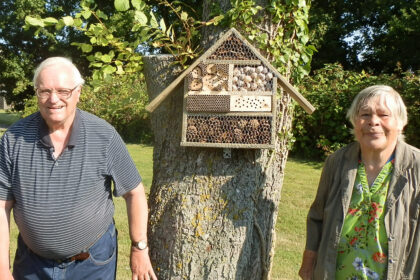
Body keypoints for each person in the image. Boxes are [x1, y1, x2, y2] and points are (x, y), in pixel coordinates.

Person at [0, 57, 157, 280]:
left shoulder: (104, 135)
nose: (53, 100)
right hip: (32, 265)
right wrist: (1, 269)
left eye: (63, 91)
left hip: (91, 264)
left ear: (78, 92)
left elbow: (134, 192)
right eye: (44, 91)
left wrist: (139, 248)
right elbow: (1, 205)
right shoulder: (14, 139)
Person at [298, 85, 419, 279]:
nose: (373, 122)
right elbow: (316, 216)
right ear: (355, 121)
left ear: (400, 122)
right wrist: (309, 262)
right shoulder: (336, 162)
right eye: (365, 114)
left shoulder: (417, 167)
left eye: (383, 115)